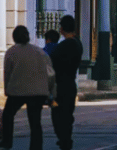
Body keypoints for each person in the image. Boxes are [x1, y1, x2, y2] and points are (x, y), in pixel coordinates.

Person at [0, 25, 54, 150]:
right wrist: (50, 90)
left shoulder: (11, 52)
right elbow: (50, 73)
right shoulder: (40, 52)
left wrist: (7, 90)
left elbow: (7, 73)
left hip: (17, 91)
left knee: (8, 115)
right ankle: (36, 146)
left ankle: (7, 141)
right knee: (35, 121)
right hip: (38, 92)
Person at [51, 15, 83, 150]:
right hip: (71, 84)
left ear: (62, 29)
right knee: (68, 114)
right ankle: (66, 139)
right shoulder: (78, 44)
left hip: (60, 86)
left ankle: (63, 139)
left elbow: (51, 64)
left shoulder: (62, 46)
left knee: (57, 113)